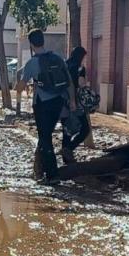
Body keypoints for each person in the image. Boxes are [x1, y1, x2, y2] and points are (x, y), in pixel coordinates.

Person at [16, 29, 76, 184]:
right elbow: (69, 83)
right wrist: (72, 102)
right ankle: (41, 170)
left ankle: (52, 175)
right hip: (59, 102)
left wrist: (23, 83)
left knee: (45, 137)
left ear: (31, 44)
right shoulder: (57, 58)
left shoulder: (32, 63)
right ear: (43, 40)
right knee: (46, 136)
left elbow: (20, 87)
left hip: (42, 104)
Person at [60, 46, 95, 164]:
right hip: (75, 102)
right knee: (85, 129)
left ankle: (66, 159)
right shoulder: (80, 68)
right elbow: (81, 84)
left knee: (67, 130)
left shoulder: (64, 65)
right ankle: (69, 149)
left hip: (63, 102)